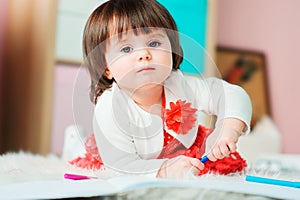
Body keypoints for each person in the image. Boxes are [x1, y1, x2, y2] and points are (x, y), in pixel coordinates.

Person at [79, 0, 252, 179]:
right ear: (106, 68)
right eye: (126, 48)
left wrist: (227, 129)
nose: (144, 54)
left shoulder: (179, 84)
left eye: (154, 43)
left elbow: (232, 94)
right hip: (129, 157)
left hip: (184, 149)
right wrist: (164, 170)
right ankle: (74, 142)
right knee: (92, 158)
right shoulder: (109, 107)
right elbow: (121, 166)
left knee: (224, 165)